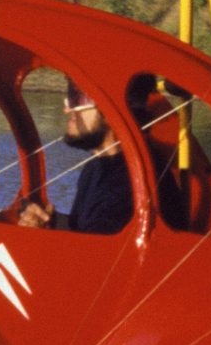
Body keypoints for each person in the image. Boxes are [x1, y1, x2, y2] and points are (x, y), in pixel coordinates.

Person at [16, 84, 132, 233]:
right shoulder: (94, 167)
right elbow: (81, 229)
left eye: (78, 99)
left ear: (111, 110)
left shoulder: (129, 180)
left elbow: (95, 249)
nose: (67, 109)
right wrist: (48, 221)